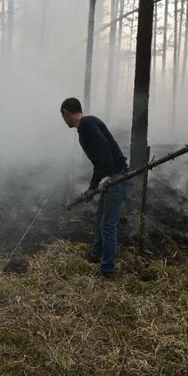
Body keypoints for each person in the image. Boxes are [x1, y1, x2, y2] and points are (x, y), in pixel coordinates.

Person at [60, 97, 132, 278]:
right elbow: (99, 162)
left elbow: (104, 153)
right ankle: (94, 254)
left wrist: (106, 177)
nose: (64, 120)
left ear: (66, 113)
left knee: (108, 225)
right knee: (100, 218)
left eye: (63, 116)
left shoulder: (88, 124)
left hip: (116, 178)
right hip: (111, 177)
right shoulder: (85, 126)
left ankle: (107, 271)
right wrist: (92, 189)